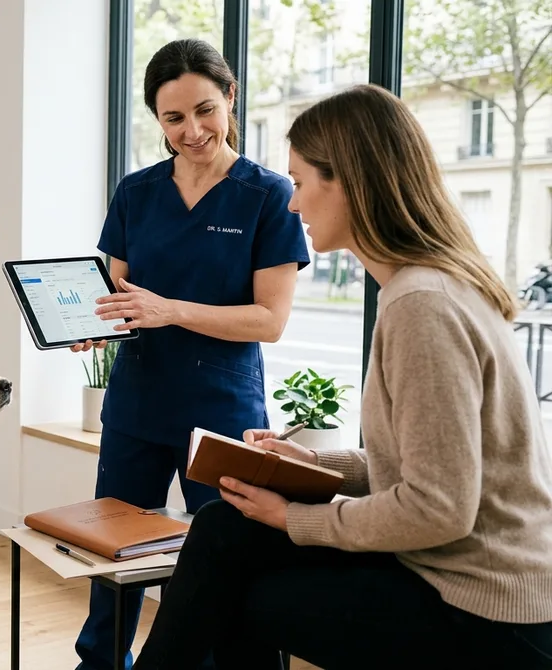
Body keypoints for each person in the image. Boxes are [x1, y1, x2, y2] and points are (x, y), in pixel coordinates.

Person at [131, 83, 552, 669]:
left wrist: (295, 515)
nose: (293, 205)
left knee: (233, 587)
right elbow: (419, 466)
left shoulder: (421, 305)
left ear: (349, 183)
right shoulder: (425, 286)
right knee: (226, 528)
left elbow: (438, 508)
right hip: (450, 573)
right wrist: (307, 465)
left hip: (485, 608)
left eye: (301, 183)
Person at [71, 38, 312, 670]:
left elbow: (270, 319)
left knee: (225, 563)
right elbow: (119, 292)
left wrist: (171, 309)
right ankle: (101, 662)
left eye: (205, 110)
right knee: (113, 551)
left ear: (230, 97)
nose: (193, 130)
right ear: (157, 119)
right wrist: (95, 323)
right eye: (174, 118)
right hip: (137, 403)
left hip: (222, 411)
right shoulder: (136, 192)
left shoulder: (269, 195)